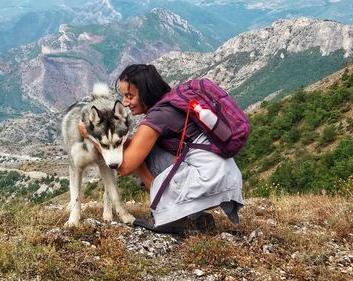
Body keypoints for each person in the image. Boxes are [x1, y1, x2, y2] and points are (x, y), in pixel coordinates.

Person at [80, 64, 244, 234]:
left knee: (139, 155)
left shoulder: (159, 116)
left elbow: (124, 167)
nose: (125, 103)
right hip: (223, 175)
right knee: (137, 146)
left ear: (145, 93)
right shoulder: (171, 101)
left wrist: (92, 137)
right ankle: (193, 216)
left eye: (130, 96)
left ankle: (179, 218)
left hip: (208, 179)